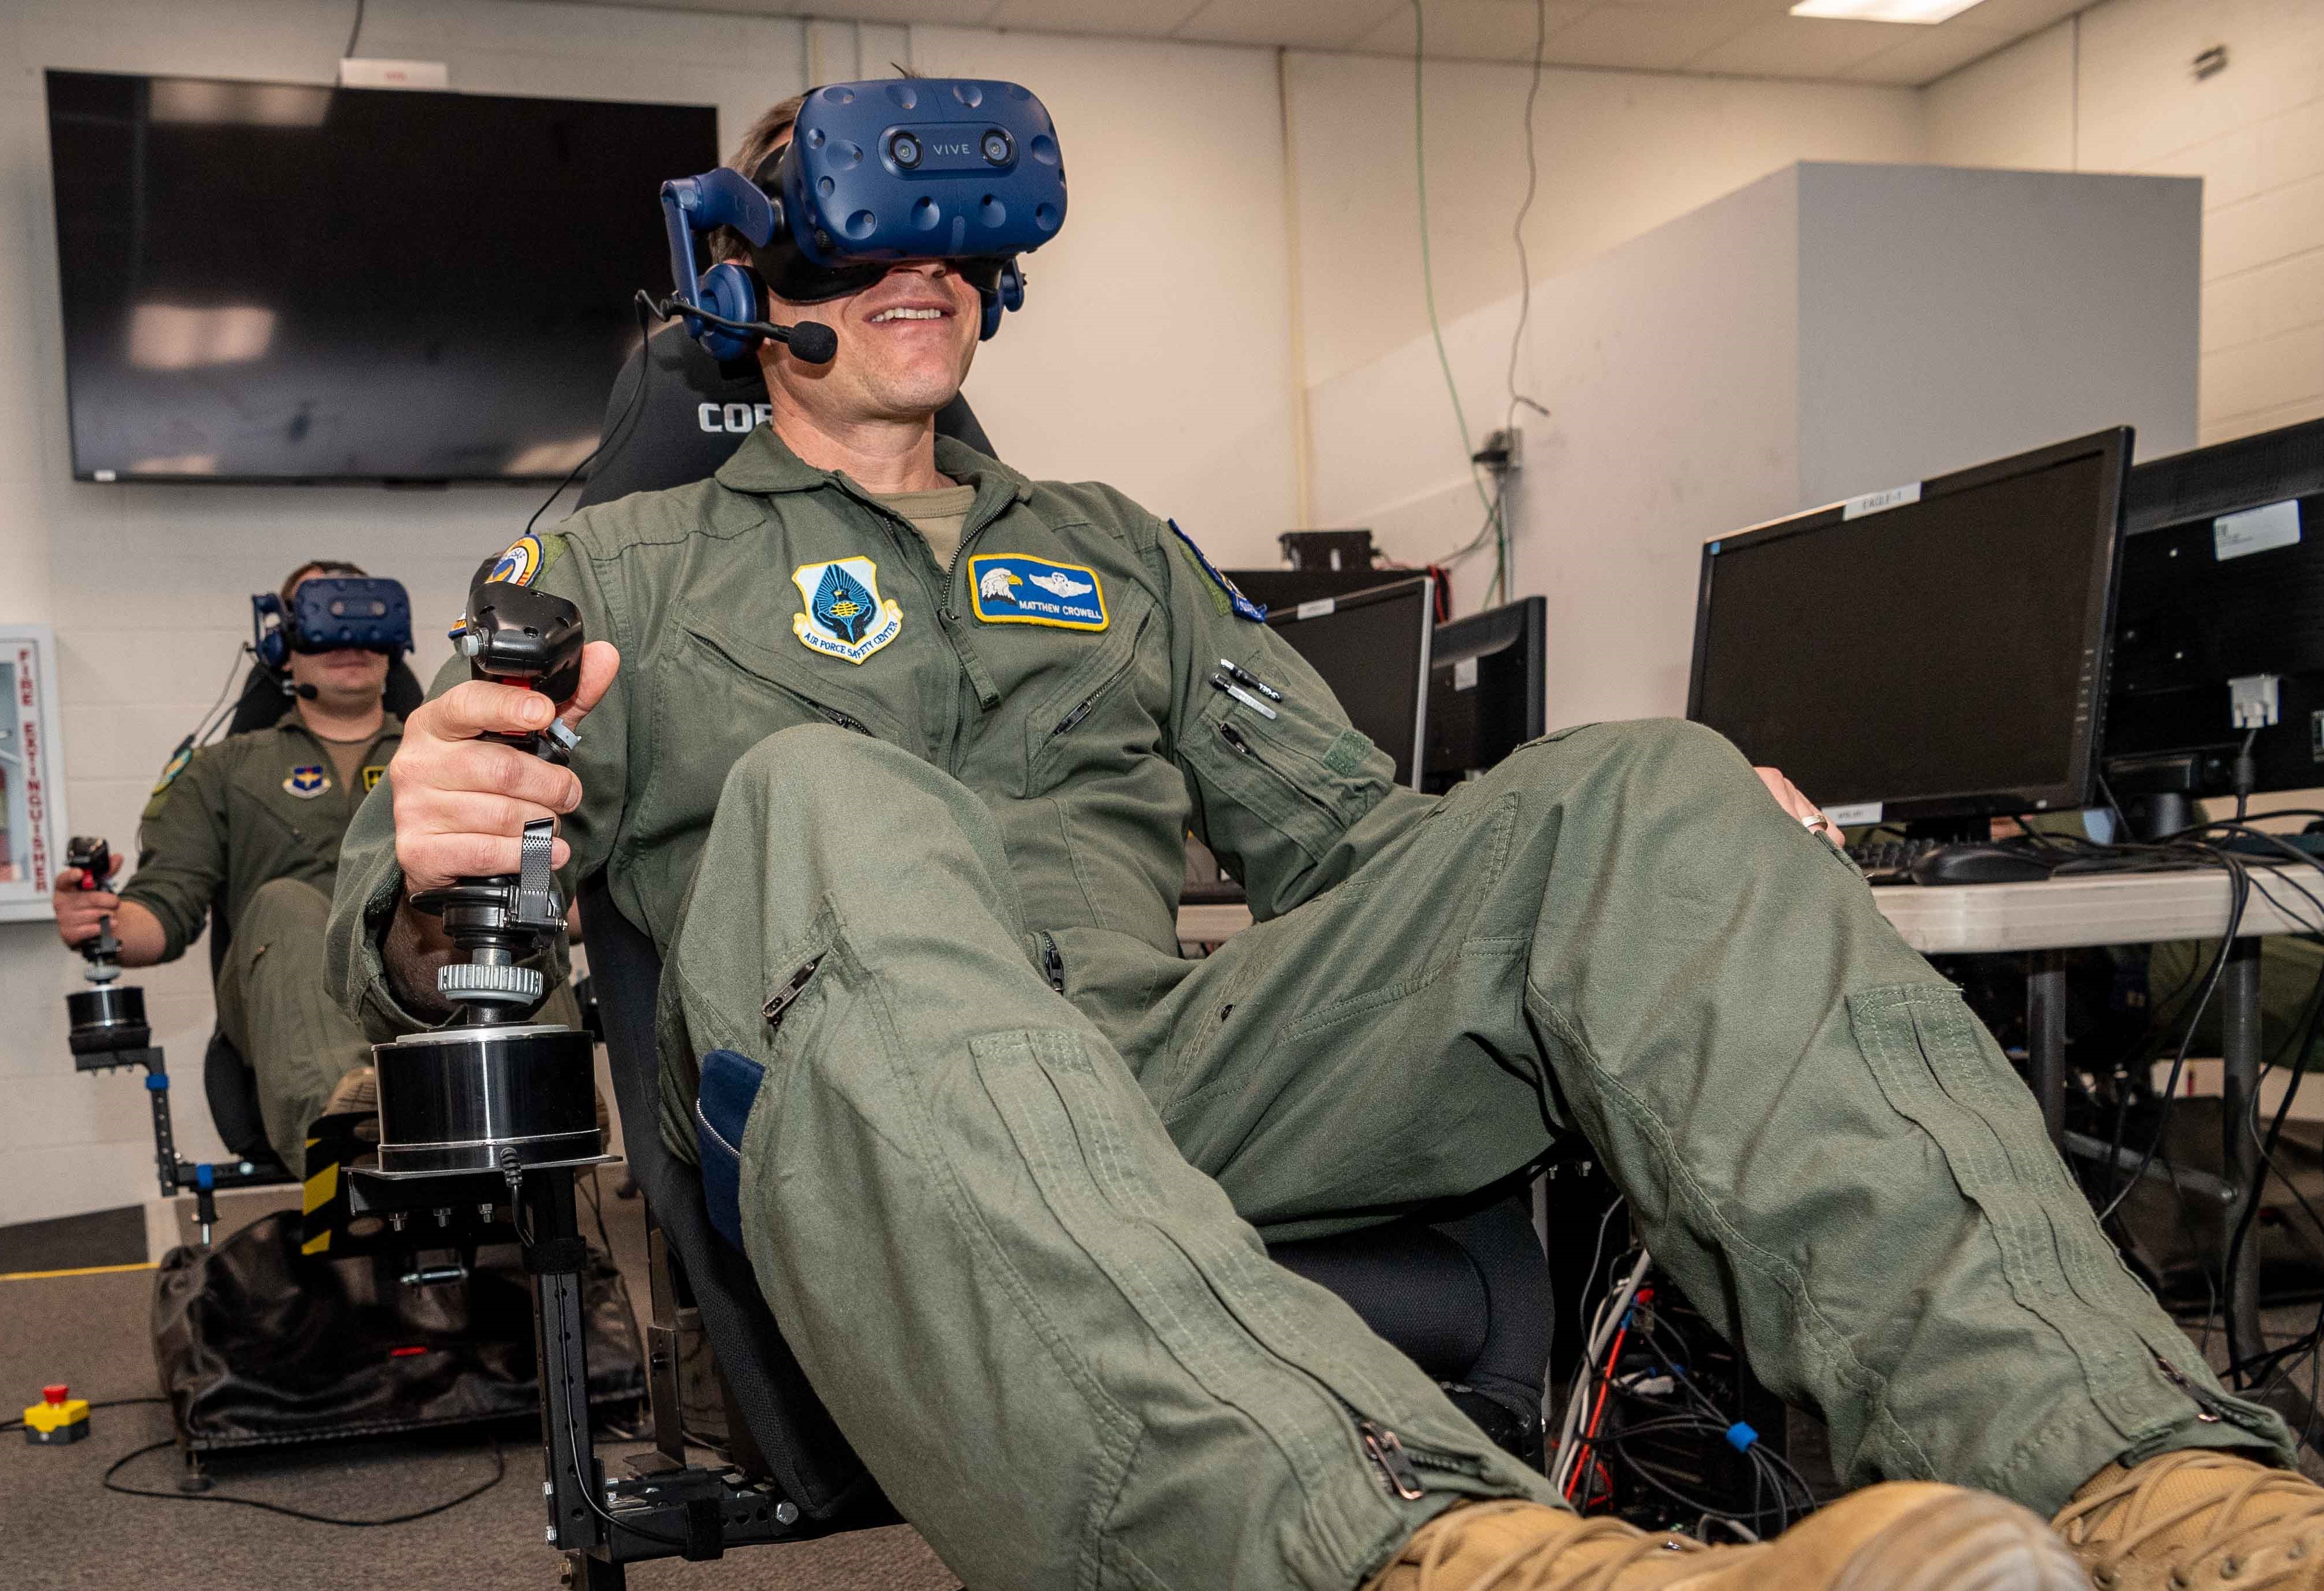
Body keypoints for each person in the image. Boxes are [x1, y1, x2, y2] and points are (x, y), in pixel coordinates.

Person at [327, 87, 2324, 1591]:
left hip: (1168, 1071)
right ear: (743, 281)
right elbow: (403, 929)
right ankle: (1442, 1554)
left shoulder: (1114, 549)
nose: (912, 275)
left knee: (1638, 785)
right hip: (855, 1107)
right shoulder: (615, 559)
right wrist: (426, 868)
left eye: (950, 239)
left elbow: (1363, 851)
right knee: (827, 794)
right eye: (853, 244)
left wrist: (1683, 852)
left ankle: (2147, 1478)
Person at [54, 559, 404, 1176]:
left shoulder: (456, 753)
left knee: (493, 895)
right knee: (285, 902)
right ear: (281, 645)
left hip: (421, 983)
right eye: (324, 616)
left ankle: (543, 1104)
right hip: (289, 998)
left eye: (366, 615)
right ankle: (350, 1140)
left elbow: (557, 899)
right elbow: (162, 907)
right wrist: (102, 919)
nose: (349, 638)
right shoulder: (223, 770)